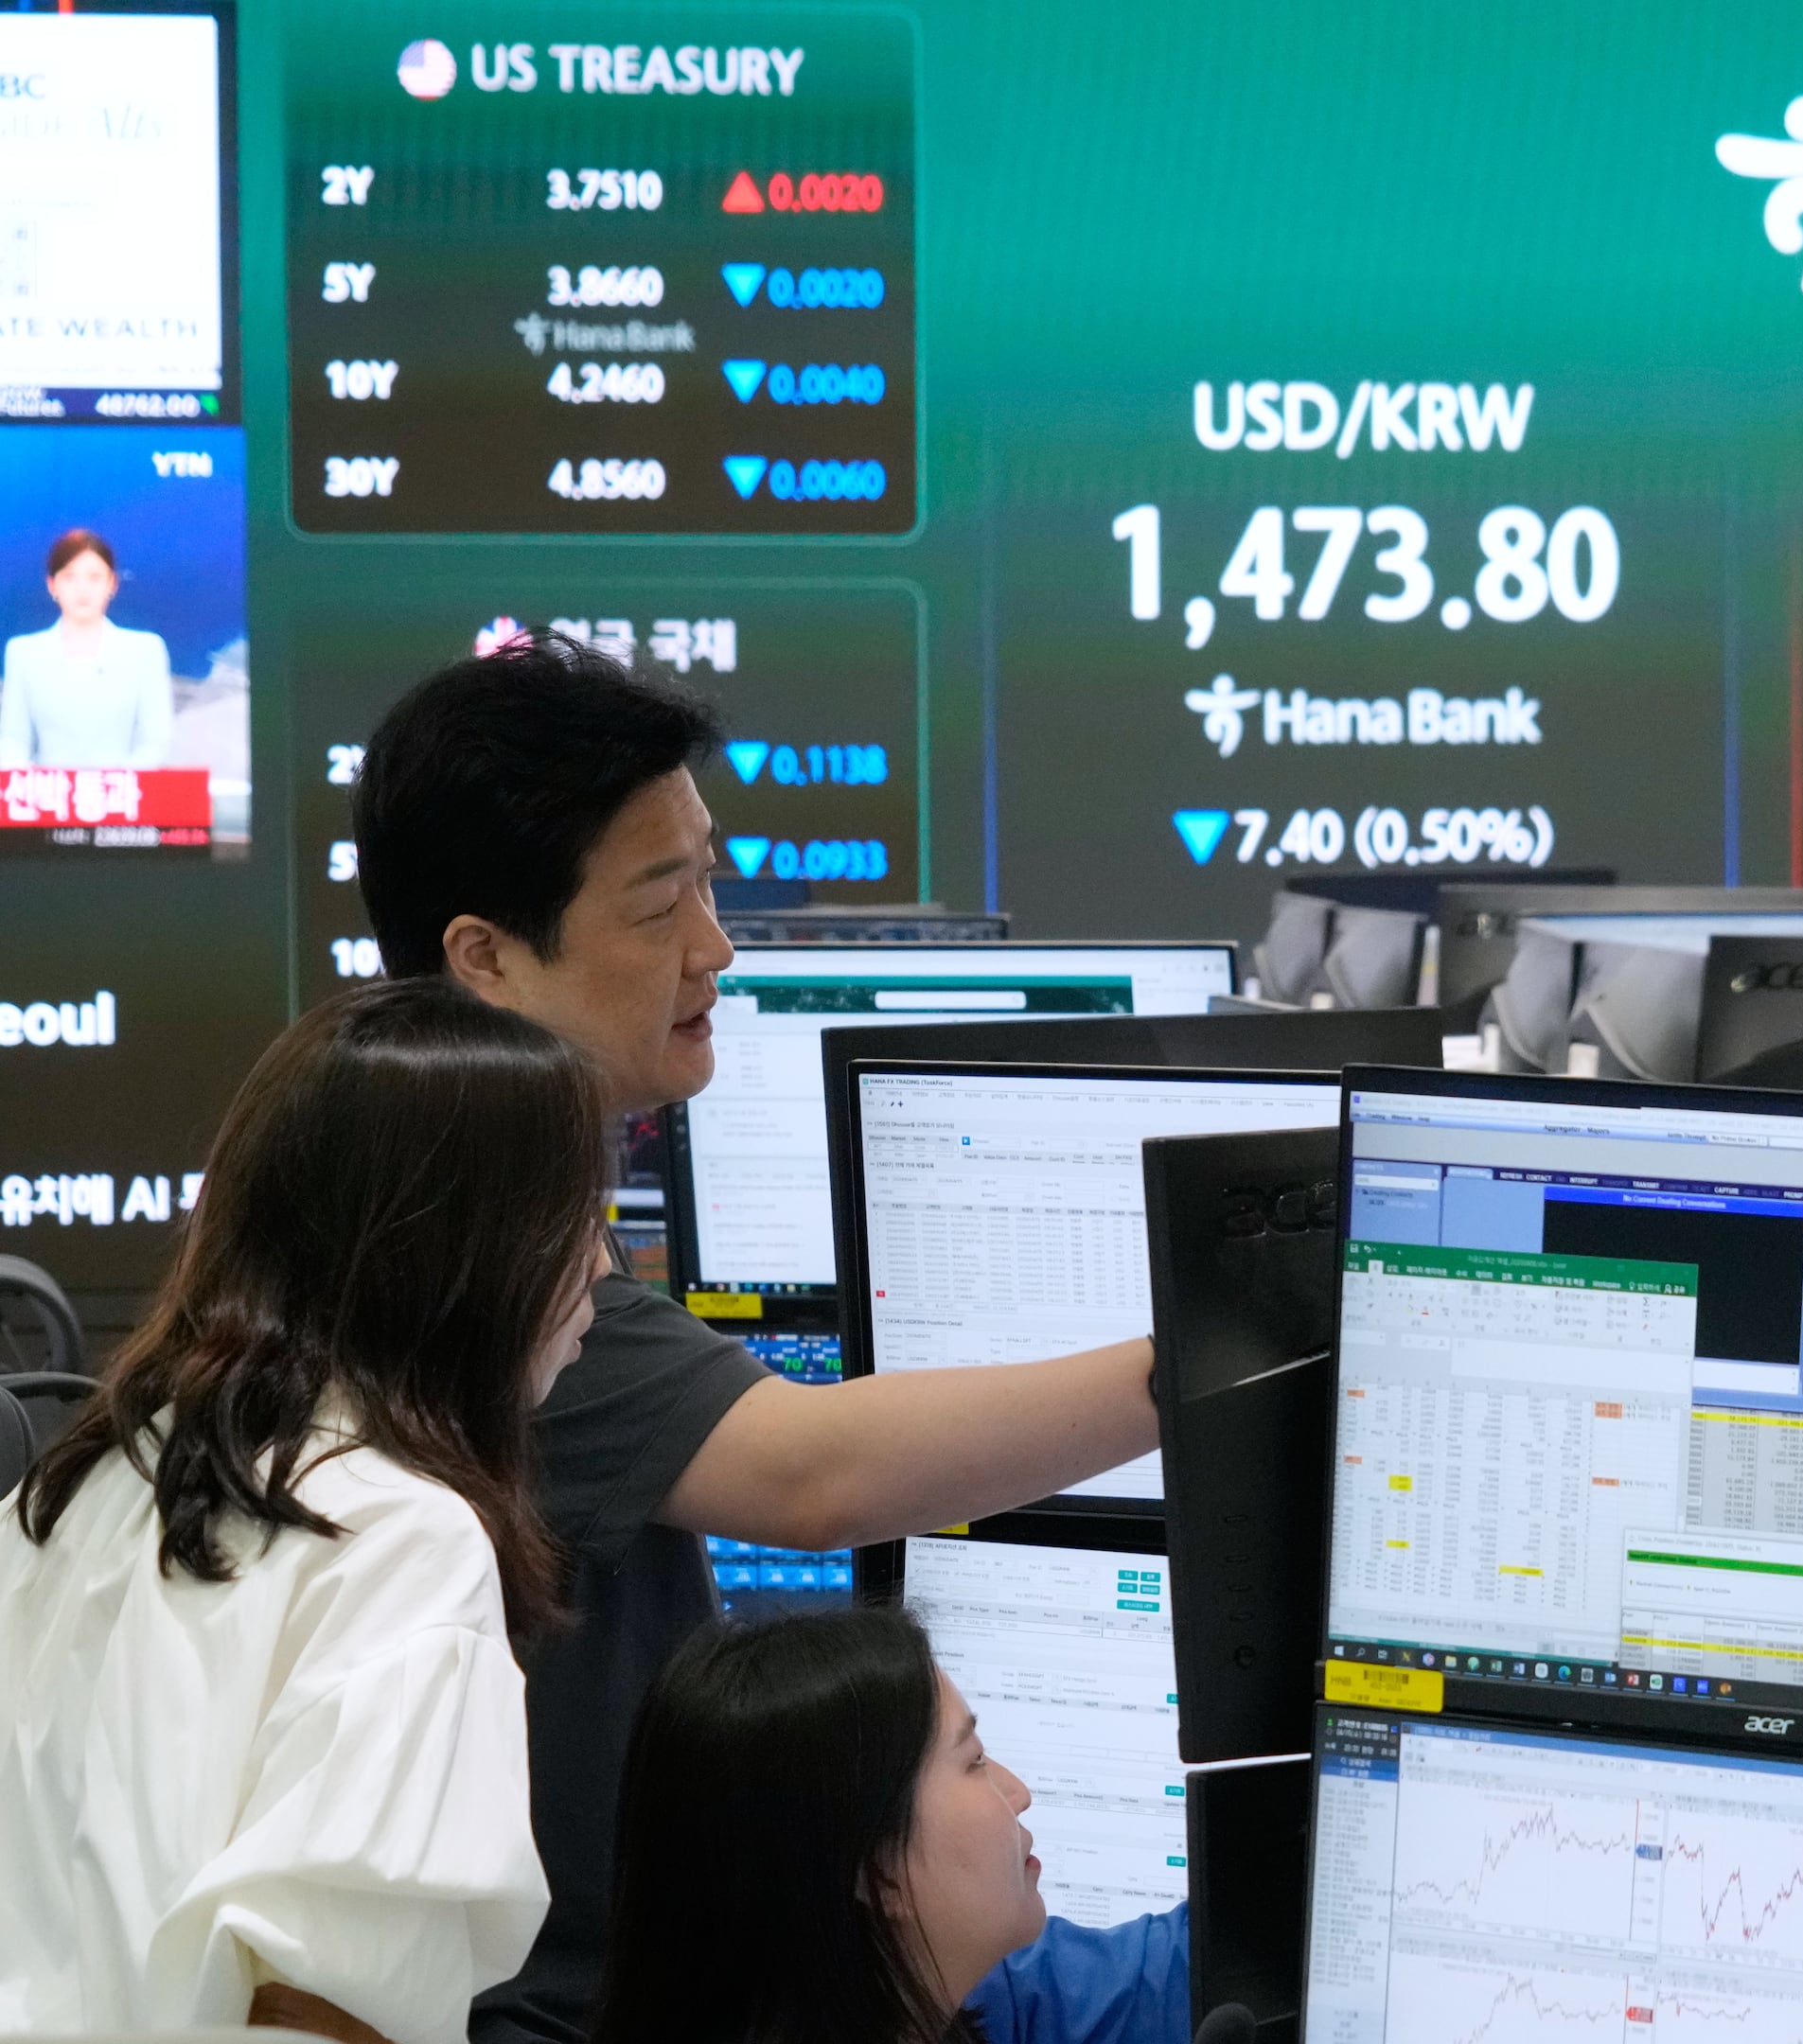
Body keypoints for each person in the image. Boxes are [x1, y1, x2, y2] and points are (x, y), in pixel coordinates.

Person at [348, 635, 1174, 2044]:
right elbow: (813, 1479)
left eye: (710, 881)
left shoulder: (447, 1181)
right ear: (485, 959)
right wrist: (1232, 1343)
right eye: (662, 902)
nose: (715, 947)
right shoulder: (460, 1254)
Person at [0, 981, 613, 2044]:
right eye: (576, 1222)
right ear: (466, 1257)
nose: (601, 1262)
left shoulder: (67, 1497)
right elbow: (327, 2015)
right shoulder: (405, 1544)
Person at [589, 1608, 1187, 2044]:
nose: (1019, 1793)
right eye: (973, 1760)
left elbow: (1171, 1969)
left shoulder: (960, 1992)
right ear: (879, 1869)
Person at [1, 528, 175, 767]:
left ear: (112, 583)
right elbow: (14, 739)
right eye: (69, 577)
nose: (82, 588)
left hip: (120, 797)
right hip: (50, 797)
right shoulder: (23, 653)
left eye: (94, 577)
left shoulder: (145, 650)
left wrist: (111, 787)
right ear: (52, 585)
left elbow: (155, 743)